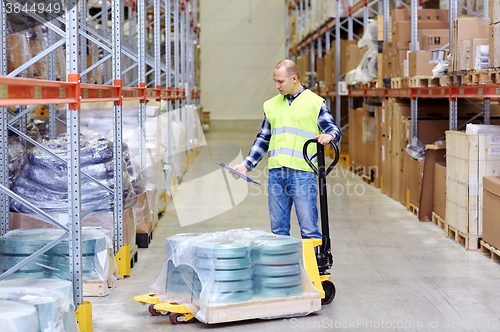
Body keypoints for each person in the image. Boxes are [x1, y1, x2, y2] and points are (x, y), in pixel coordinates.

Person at [232, 59, 341, 239]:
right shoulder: (272, 105)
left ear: (294, 78)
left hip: (303, 174)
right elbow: (264, 137)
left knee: (309, 230)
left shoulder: (315, 103)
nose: (277, 86)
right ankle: (284, 267)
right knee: (278, 231)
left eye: (280, 81)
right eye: (275, 81)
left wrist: (329, 135)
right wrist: (246, 165)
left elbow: (333, 128)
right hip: (277, 174)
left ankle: (314, 267)